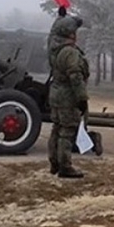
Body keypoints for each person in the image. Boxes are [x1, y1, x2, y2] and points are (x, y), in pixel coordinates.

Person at [47, 16, 89, 178]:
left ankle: (54, 163)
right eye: (74, 31)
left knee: (56, 128)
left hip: (56, 93)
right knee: (67, 130)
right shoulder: (70, 52)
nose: (76, 34)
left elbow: (52, 32)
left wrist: (60, 17)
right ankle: (65, 166)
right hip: (67, 95)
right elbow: (75, 77)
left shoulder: (54, 47)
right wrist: (82, 98)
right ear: (69, 33)